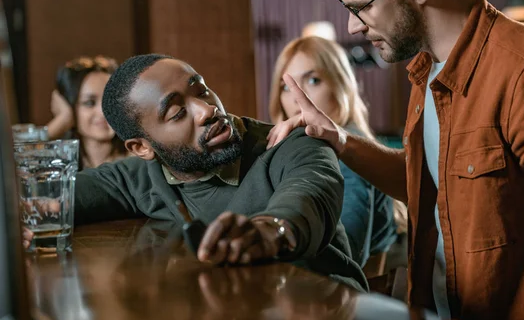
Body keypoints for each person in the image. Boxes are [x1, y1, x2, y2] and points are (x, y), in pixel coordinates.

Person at [266, 0, 524, 320]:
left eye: (362, 8)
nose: (352, 26)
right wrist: (340, 140)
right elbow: (434, 184)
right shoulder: (429, 70)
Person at [25, 53, 367, 292]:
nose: (207, 110)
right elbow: (45, 197)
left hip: (322, 313)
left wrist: (267, 232)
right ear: (142, 147)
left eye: (201, 90)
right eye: (176, 113)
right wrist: (23, 216)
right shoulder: (142, 175)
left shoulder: (292, 144)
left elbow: (308, 198)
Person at [269, 36, 397, 267]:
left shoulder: (347, 156)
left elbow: (344, 255)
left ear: (341, 87)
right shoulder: (293, 152)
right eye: (287, 86)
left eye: (314, 80)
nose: (299, 97)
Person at [46, 56, 127, 169]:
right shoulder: (58, 164)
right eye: (89, 103)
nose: (103, 111)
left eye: (110, 100)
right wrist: (61, 120)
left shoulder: (139, 161)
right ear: (69, 106)